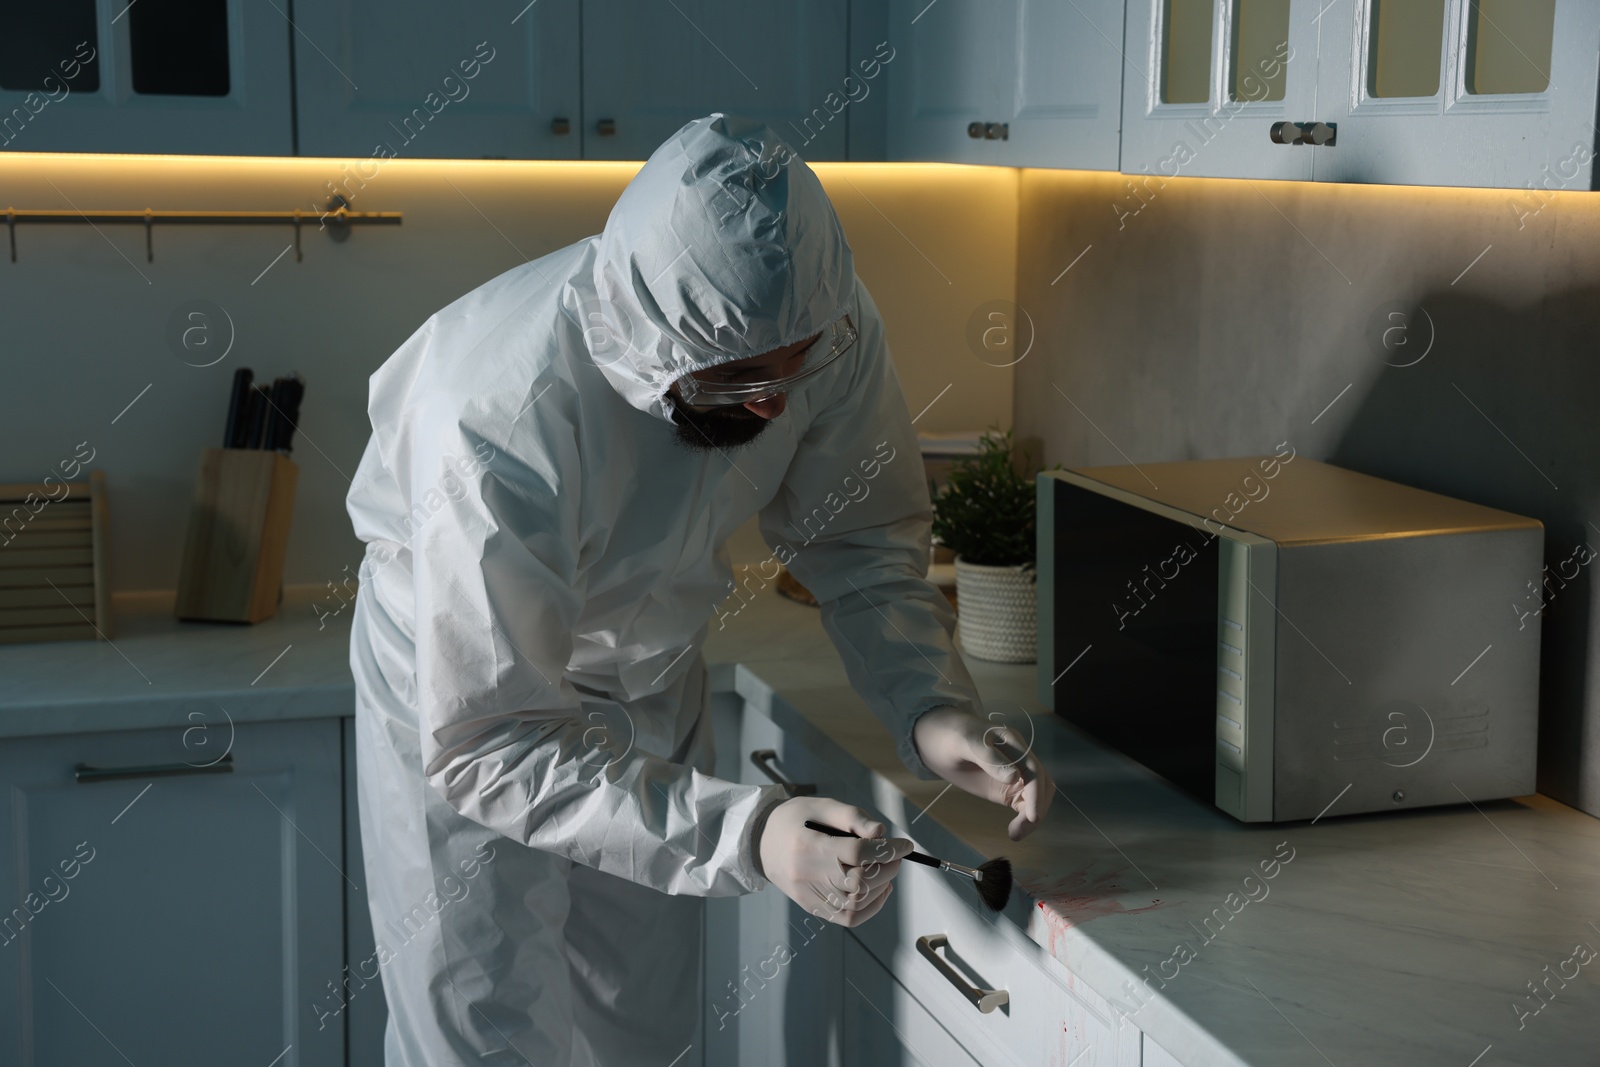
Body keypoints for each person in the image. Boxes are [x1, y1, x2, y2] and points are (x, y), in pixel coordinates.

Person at [345, 112, 1053, 1066]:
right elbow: (492, 739)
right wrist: (749, 834)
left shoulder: (821, 324)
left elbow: (859, 537)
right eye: (738, 382)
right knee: (482, 1027)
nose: (769, 403)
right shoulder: (496, 418)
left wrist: (933, 709)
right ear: (652, 345)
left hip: (646, 669)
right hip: (466, 690)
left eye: (788, 373)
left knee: (642, 1029)